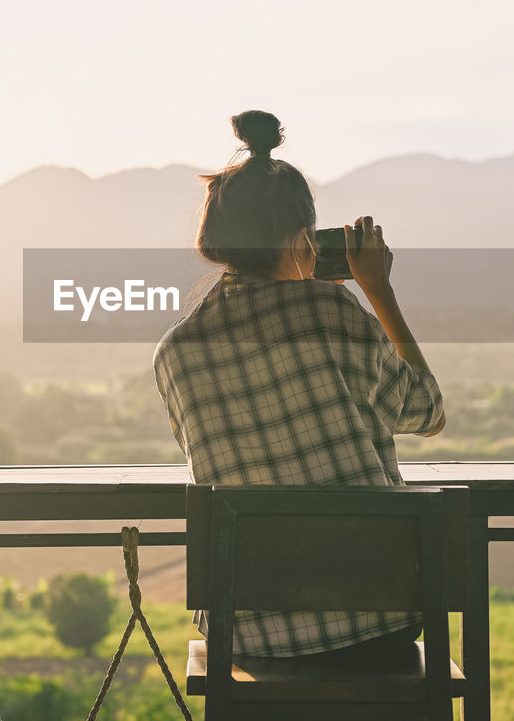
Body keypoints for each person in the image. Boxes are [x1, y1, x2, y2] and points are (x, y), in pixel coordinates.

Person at [152, 109, 446, 662]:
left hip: (246, 637)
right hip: (378, 621)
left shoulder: (174, 353)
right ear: (299, 239)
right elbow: (428, 412)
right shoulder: (331, 309)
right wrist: (378, 293)